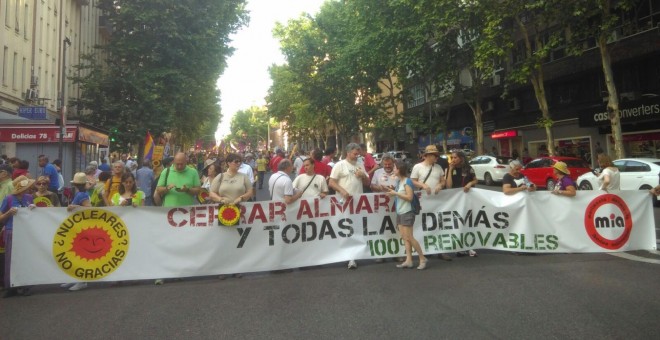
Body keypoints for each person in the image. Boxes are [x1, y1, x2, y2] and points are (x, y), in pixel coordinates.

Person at [328, 143, 369, 269]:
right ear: (348, 153)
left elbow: (367, 183)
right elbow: (331, 182)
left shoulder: (360, 165)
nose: (357, 156)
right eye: (355, 153)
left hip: (357, 202)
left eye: (358, 153)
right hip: (343, 202)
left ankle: (354, 256)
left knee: (356, 227)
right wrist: (342, 191)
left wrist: (363, 176)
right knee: (346, 228)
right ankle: (348, 256)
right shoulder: (339, 165)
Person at [386, 161, 427, 270]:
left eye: (394, 168)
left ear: (399, 169)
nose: (393, 169)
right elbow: (401, 196)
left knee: (409, 237)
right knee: (405, 237)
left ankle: (422, 258)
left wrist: (395, 193)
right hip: (400, 212)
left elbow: (409, 197)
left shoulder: (407, 181)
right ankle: (409, 260)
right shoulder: (399, 182)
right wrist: (393, 192)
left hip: (407, 212)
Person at [1, 176, 36, 297]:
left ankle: (26, 284)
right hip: (12, 230)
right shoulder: (9, 199)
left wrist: (34, 209)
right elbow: (1, 217)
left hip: (26, 232)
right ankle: (11, 286)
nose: (29, 189)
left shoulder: (30, 198)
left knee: (26, 258)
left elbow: (34, 216)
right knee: (11, 259)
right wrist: (9, 212)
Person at [59, 172, 93, 292]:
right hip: (79, 226)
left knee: (79, 253)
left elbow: (89, 208)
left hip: (81, 227)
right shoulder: (82, 193)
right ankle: (76, 278)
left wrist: (75, 207)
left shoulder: (82, 195)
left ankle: (82, 280)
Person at [445, 150, 479, 257]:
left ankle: (470, 246)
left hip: (467, 199)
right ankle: (459, 247)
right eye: (452, 158)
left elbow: (475, 180)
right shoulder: (449, 169)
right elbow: (449, 186)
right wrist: (450, 170)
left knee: (468, 221)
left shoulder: (469, 168)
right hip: (455, 200)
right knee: (457, 222)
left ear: (461, 158)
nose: (453, 160)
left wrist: (469, 184)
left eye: (455, 157)